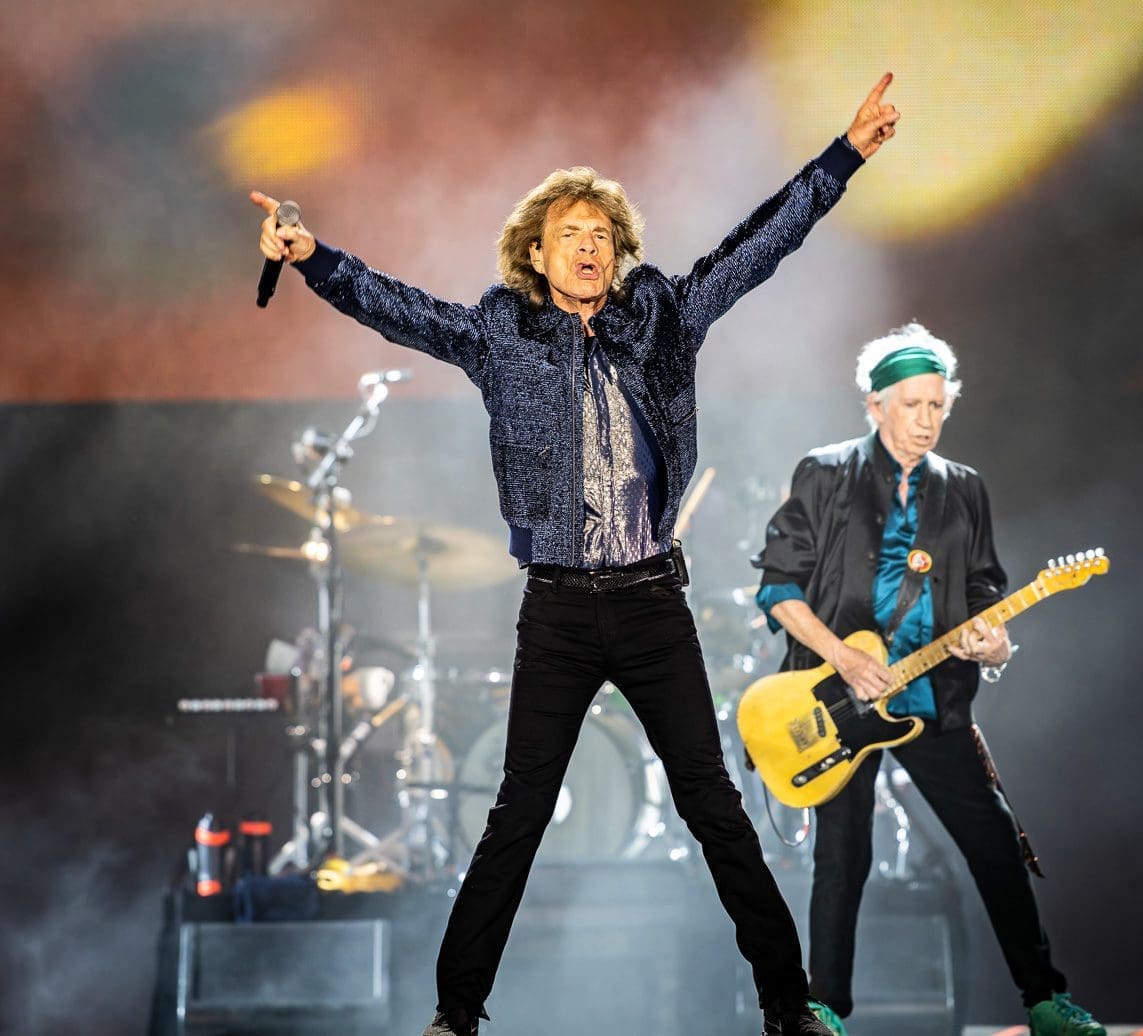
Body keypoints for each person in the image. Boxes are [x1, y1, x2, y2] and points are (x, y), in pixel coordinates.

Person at [251, 74, 900, 1036]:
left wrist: (843, 157)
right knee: (517, 814)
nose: (588, 247)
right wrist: (313, 258)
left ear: (618, 251)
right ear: (537, 253)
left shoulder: (665, 317)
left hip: (651, 602)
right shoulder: (502, 333)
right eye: (570, 234)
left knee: (714, 804)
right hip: (556, 608)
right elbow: (399, 307)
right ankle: (456, 1014)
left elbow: (760, 245)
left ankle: (786, 1004)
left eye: (601, 234)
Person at [750, 323, 1106, 1036]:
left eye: (937, 406)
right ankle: (824, 1010)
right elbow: (778, 588)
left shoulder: (963, 489)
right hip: (836, 696)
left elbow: (984, 593)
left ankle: (1044, 1002)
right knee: (842, 856)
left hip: (930, 698)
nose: (926, 421)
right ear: (875, 405)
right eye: (911, 405)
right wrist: (842, 657)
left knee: (994, 842)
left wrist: (995, 646)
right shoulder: (825, 472)